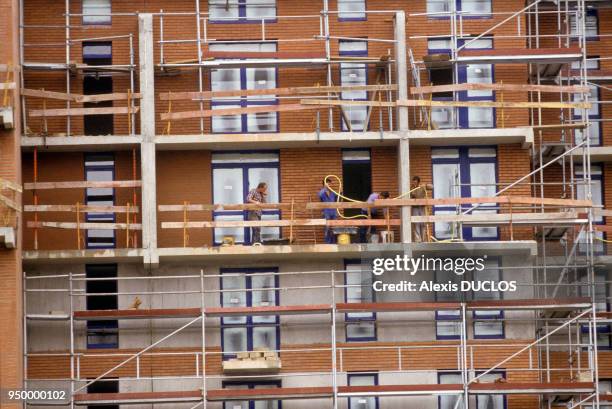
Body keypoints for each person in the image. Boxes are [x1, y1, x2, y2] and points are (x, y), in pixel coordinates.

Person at [410, 176, 432, 243]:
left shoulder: (422, 187)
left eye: (415, 182)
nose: (414, 183)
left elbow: (432, 187)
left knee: (423, 223)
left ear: (418, 181)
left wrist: (426, 185)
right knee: (416, 223)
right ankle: (418, 240)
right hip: (415, 207)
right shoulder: (411, 188)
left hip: (422, 207)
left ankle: (424, 239)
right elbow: (410, 196)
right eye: (413, 182)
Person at [318, 179, 338, 244]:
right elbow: (320, 195)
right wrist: (325, 189)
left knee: (334, 228)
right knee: (327, 228)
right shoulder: (322, 192)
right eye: (328, 183)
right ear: (324, 184)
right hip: (326, 212)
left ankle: (333, 243)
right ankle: (328, 243)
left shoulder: (333, 192)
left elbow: (337, 198)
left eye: (330, 184)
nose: (330, 185)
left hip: (333, 212)